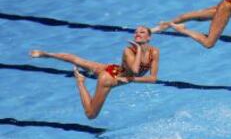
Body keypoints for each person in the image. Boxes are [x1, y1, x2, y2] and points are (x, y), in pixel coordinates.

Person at [30, 26, 159, 119]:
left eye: (142, 32)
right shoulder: (129, 51)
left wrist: (130, 80)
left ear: (149, 37)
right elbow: (136, 70)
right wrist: (138, 49)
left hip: (115, 69)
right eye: (136, 32)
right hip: (109, 78)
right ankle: (80, 82)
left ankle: (46, 54)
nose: (138, 34)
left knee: (79, 61)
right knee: (91, 115)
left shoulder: (155, 52)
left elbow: (153, 79)